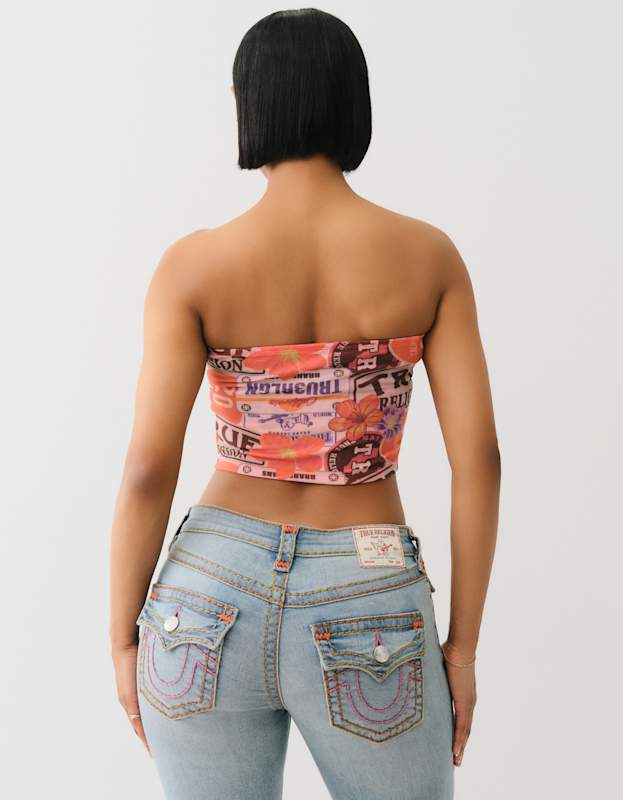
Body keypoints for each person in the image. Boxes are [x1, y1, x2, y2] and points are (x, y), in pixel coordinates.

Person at [109, 8, 501, 800]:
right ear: (354, 101)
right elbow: (480, 461)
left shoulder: (193, 266)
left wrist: (122, 637)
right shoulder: (426, 256)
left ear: (245, 102)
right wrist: (460, 649)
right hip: (365, 585)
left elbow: (148, 469)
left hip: (206, 589)